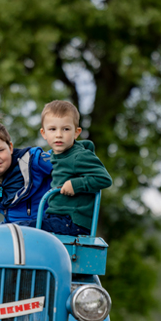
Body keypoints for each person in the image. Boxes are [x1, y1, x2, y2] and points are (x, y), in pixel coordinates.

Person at [36, 100, 112, 236]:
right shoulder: (54, 155)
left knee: (21, 229)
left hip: (72, 221)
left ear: (76, 133)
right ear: (44, 133)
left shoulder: (79, 156)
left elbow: (104, 179)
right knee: (17, 226)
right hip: (56, 217)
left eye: (66, 129)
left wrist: (75, 184)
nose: (59, 134)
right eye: (53, 129)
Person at [0, 120, 53, 227]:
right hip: (16, 227)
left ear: (10, 148)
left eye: (0, 150)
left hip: (45, 222)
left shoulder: (32, 162)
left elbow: (62, 160)